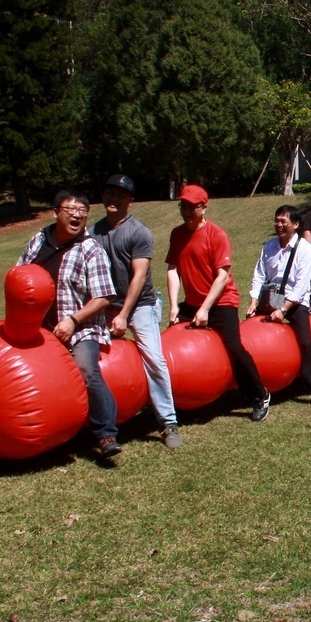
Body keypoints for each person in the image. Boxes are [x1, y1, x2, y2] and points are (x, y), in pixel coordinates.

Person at [19, 190, 121, 457]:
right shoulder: (38, 241)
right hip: (38, 329)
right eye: (70, 210)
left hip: (80, 328)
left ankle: (106, 433)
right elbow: (20, 276)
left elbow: (104, 297)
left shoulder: (91, 249)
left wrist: (72, 321)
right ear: (56, 212)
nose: (77, 215)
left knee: (85, 370)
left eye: (83, 212)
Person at [90, 174, 183, 449]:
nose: (113, 198)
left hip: (140, 304)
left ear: (130, 201)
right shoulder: (93, 233)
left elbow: (139, 276)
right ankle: (100, 421)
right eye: (109, 192)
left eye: (120, 195)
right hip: (106, 305)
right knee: (90, 358)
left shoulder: (138, 232)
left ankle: (168, 423)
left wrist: (122, 314)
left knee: (154, 359)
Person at [165, 184, 272, 422]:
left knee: (233, 347)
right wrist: (174, 306)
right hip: (192, 303)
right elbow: (173, 269)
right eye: (183, 205)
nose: (186, 210)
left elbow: (222, 276)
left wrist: (205, 309)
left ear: (204, 207)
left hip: (222, 301)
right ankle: (173, 398)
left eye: (192, 206)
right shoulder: (177, 234)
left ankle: (260, 395)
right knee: (170, 341)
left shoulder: (217, 234)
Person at [246, 205, 311, 409]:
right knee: (248, 335)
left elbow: (301, 286)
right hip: (270, 298)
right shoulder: (269, 246)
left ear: (296, 225)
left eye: (284, 221)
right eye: (277, 220)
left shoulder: (305, 250)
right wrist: (253, 302)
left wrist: (283, 310)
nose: (279, 225)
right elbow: (259, 275)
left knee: (306, 342)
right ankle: (252, 383)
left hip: (295, 302)